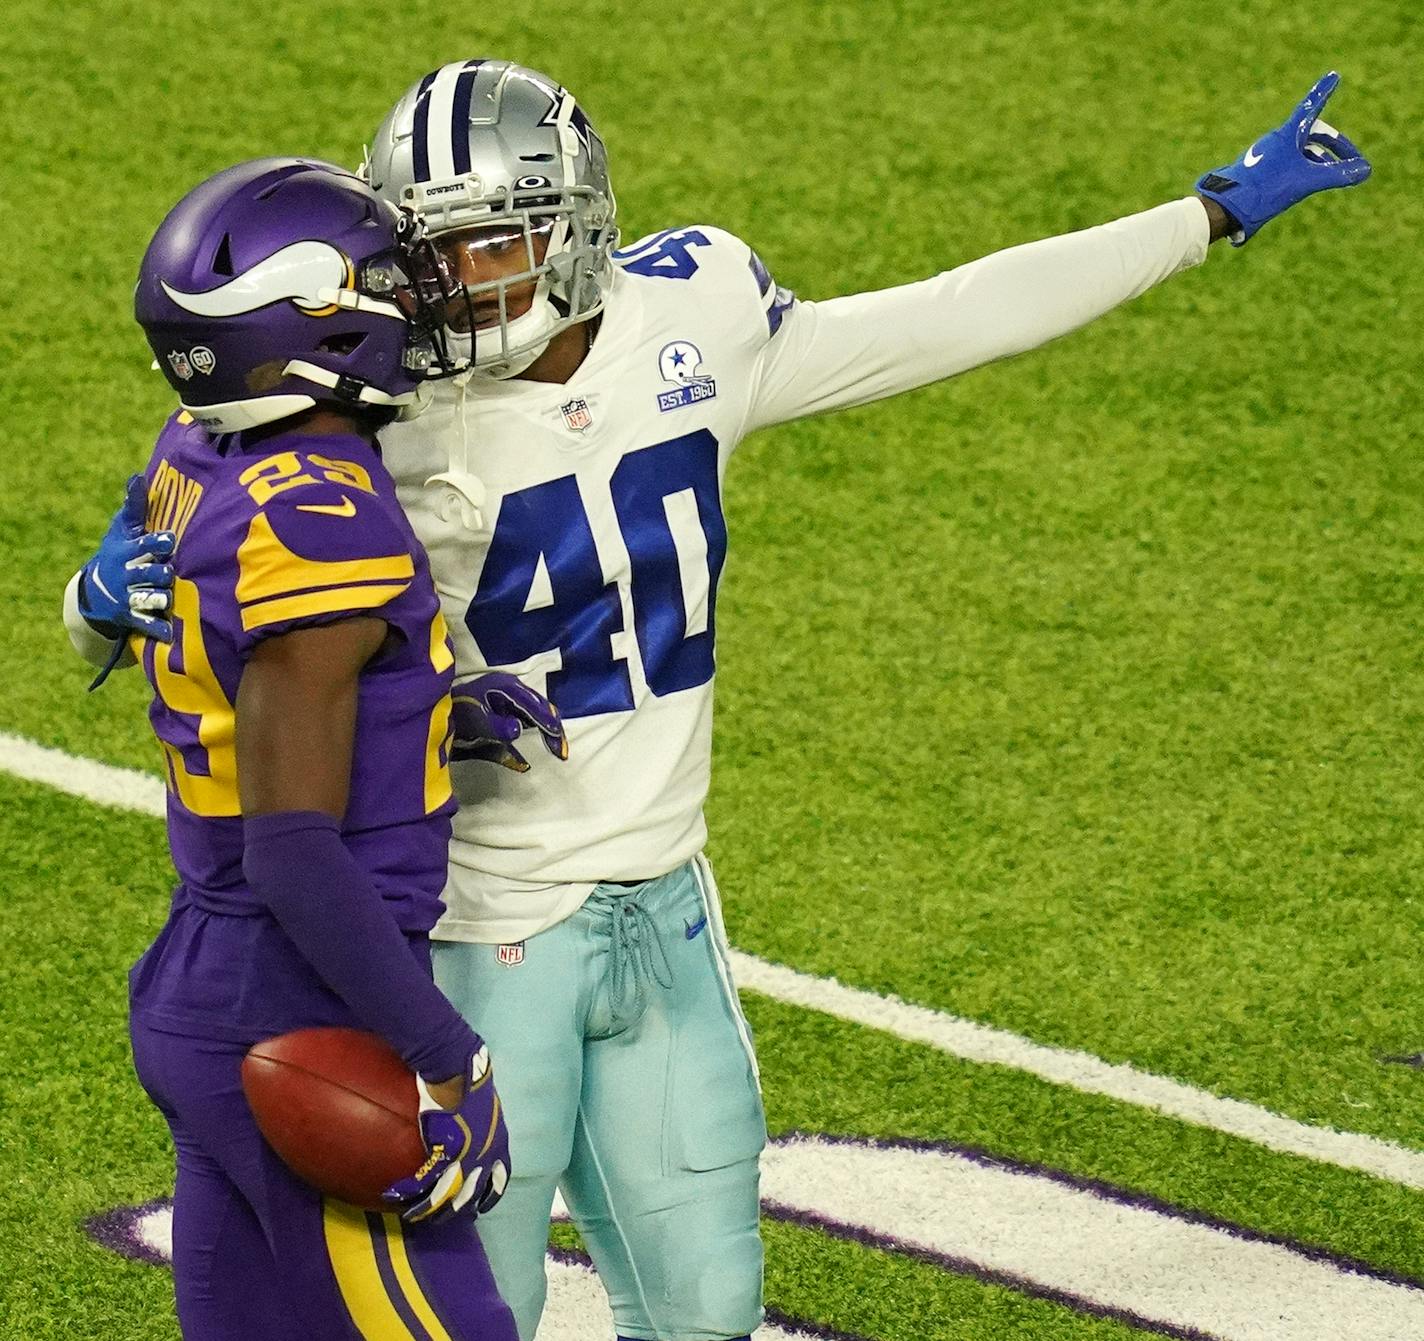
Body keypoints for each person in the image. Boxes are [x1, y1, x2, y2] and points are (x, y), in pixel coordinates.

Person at [67, 62, 1370, 1341]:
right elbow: (201, 573)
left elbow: (944, 315)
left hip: (668, 907)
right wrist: (96, 595)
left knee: (705, 1306)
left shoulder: (697, 313)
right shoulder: (373, 408)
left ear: (572, 235)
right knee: (475, 1312)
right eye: (431, 252)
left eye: (489, 247)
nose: (451, 286)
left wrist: (1204, 215)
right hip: (471, 929)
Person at [89, 156, 522, 1340]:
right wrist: (446, 1057)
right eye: (383, 281)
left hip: (205, 969)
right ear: (306, 322)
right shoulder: (327, 519)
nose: (412, 303)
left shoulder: (197, 449)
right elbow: (291, 848)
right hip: (297, 996)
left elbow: (237, 657)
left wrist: (421, 707)